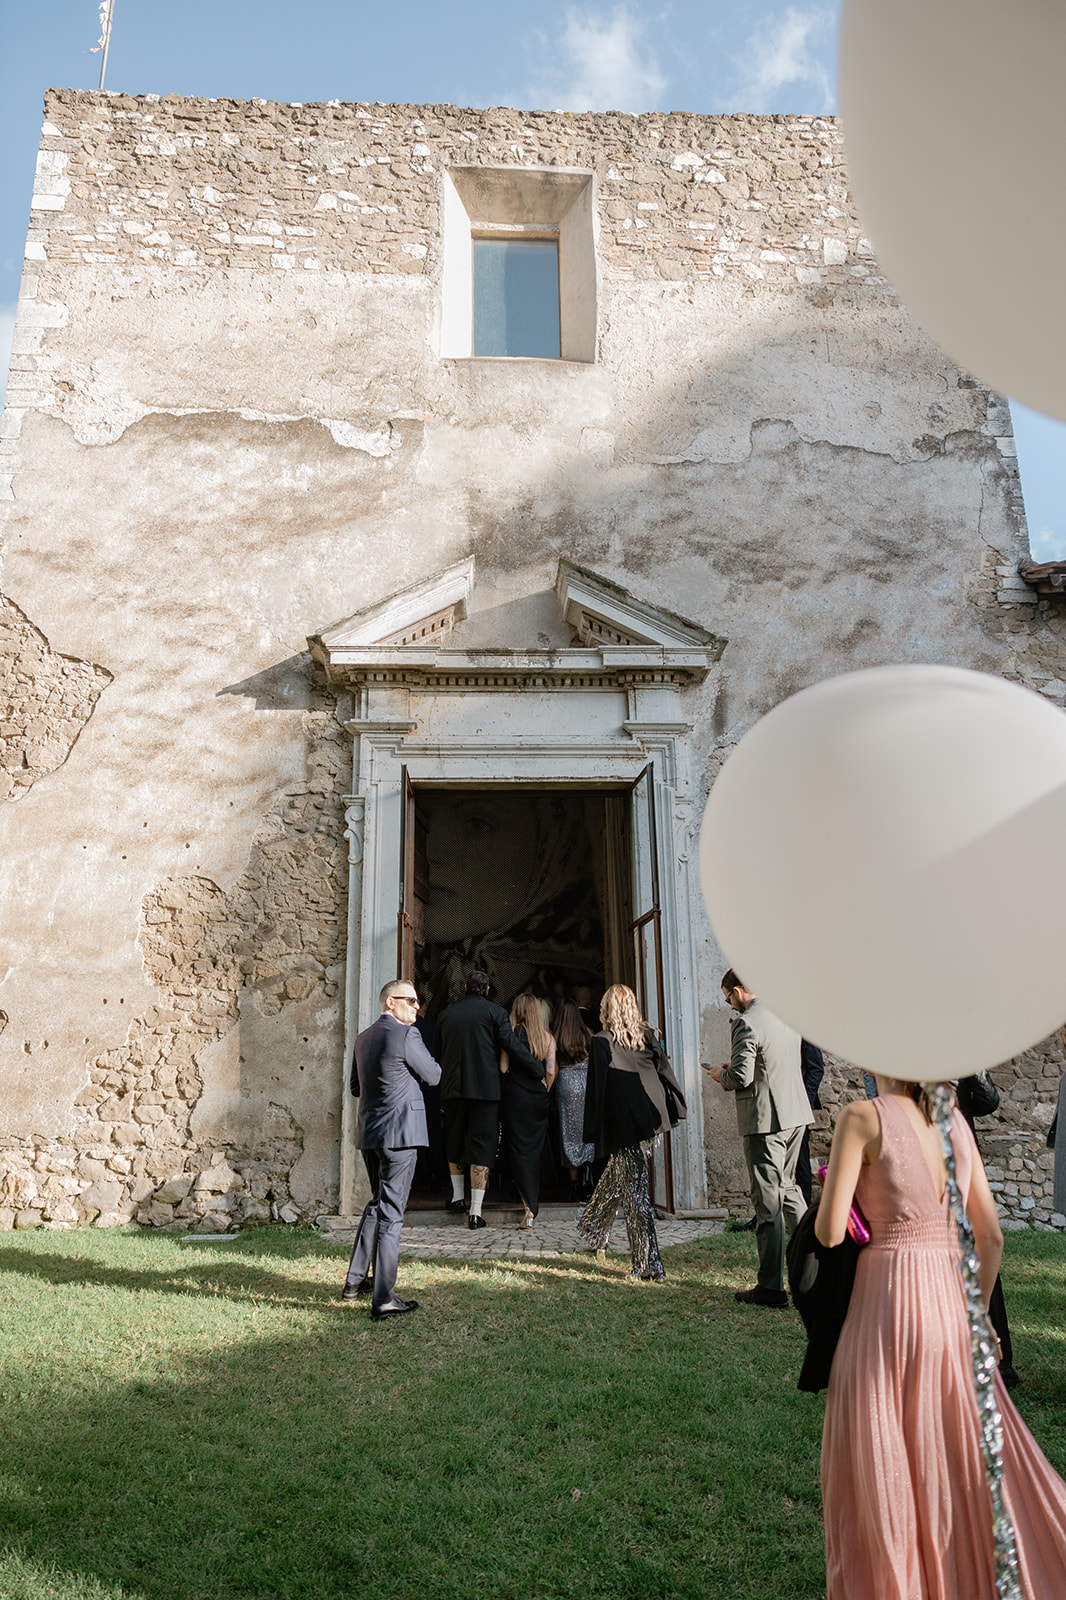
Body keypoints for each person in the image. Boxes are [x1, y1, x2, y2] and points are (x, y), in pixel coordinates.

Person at [816, 1074, 1066, 1597]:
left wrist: (838, 1191)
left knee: (882, 1458)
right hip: (950, 1301)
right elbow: (991, 1235)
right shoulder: (952, 1119)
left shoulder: (860, 1118)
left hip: (884, 1304)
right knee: (957, 1455)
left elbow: (830, 1232)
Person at [705, 969, 812, 1307]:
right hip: (795, 1114)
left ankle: (770, 1288)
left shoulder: (746, 1022)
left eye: (727, 996)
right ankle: (817, 1266)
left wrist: (719, 1074)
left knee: (768, 1204)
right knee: (790, 1188)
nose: (727, 1003)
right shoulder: (784, 1013)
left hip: (765, 1120)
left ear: (739, 990)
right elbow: (771, 1063)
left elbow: (741, 1076)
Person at [342, 978, 441, 1321]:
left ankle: (355, 1281)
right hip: (401, 1134)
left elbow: (356, 1087)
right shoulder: (406, 1035)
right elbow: (433, 1075)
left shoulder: (363, 1038)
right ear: (390, 1003)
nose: (417, 1006)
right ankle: (384, 1297)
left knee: (377, 1204)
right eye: (411, 1000)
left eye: (418, 1001)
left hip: (371, 1134)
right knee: (392, 1214)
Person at [577, 983, 686, 1280]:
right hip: (650, 1120)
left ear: (606, 1009)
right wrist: (676, 1107)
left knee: (636, 1194)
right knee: (621, 1175)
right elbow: (665, 1072)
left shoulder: (602, 1041)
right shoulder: (649, 1036)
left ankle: (649, 1265)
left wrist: (592, 1131)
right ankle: (593, 1229)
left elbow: (596, 1090)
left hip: (625, 1125)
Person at [434, 968, 543, 1230]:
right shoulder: (495, 1013)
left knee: (454, 1140)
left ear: (463, 989)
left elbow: (437, 1053)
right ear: (487, 990)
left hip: (453, 1089)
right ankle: (475, 1211)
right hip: (486, 1091)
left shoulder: (446, 1015)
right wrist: (536, 1068)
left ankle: (458, 1196)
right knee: (482, 1146)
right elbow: (511, 1045)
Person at [955, 1070, 1018, 1387]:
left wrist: (977, 1072)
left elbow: (988, 1103)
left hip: (962, 1154)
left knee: (980, 1247)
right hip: (920, 1154)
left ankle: (999, 1363)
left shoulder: (963, 1050)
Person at [500, 994, 556, 1227]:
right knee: (535, 1149)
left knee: (519, 1149)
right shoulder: (547, 1037)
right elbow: (551, 1070)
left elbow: (503, 1069)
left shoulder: (510, 1036)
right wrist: (545, 1089)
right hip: (538, 1098)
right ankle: (532, 1204)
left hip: (516, 1097)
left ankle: (528, 1206)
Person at [554, 998, 595, 1196]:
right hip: (586, 1085)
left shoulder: (556, 1036)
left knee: (568, 1132)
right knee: (587, 1129)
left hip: (566, 1085)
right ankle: (588, 1172)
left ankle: (573, 1184)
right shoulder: (588, 1033)